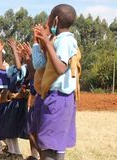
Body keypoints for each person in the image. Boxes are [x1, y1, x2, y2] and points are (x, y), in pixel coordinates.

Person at [34, 4, 79, 160]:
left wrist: (47, 43)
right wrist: (43, 44)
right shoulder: (60, 40)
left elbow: (60, 67)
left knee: (47, 144)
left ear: (56, 20)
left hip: (58, 98)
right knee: (54, 143)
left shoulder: (65, 41)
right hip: (61, 99)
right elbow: (49, 63)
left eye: (50, 18)